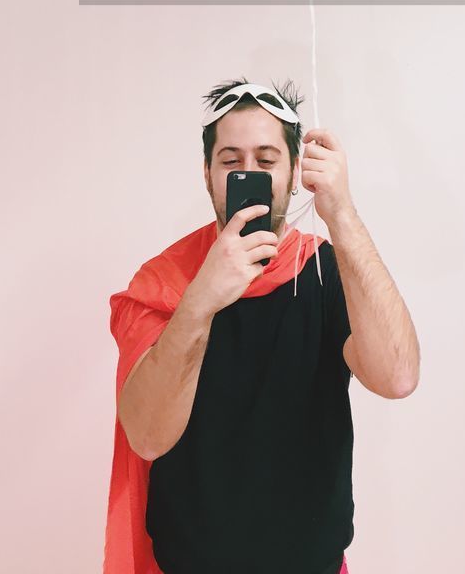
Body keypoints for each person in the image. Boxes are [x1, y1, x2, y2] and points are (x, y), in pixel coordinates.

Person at [103, 79, 420, 574]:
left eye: (267, 160)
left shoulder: (326, 269)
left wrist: (342, 214)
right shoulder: (163, 281)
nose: (247, 174)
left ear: (296, 172)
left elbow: (397, 377)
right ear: (206, 174)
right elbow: (146, 435)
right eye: (230, 161)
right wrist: (201, 299)